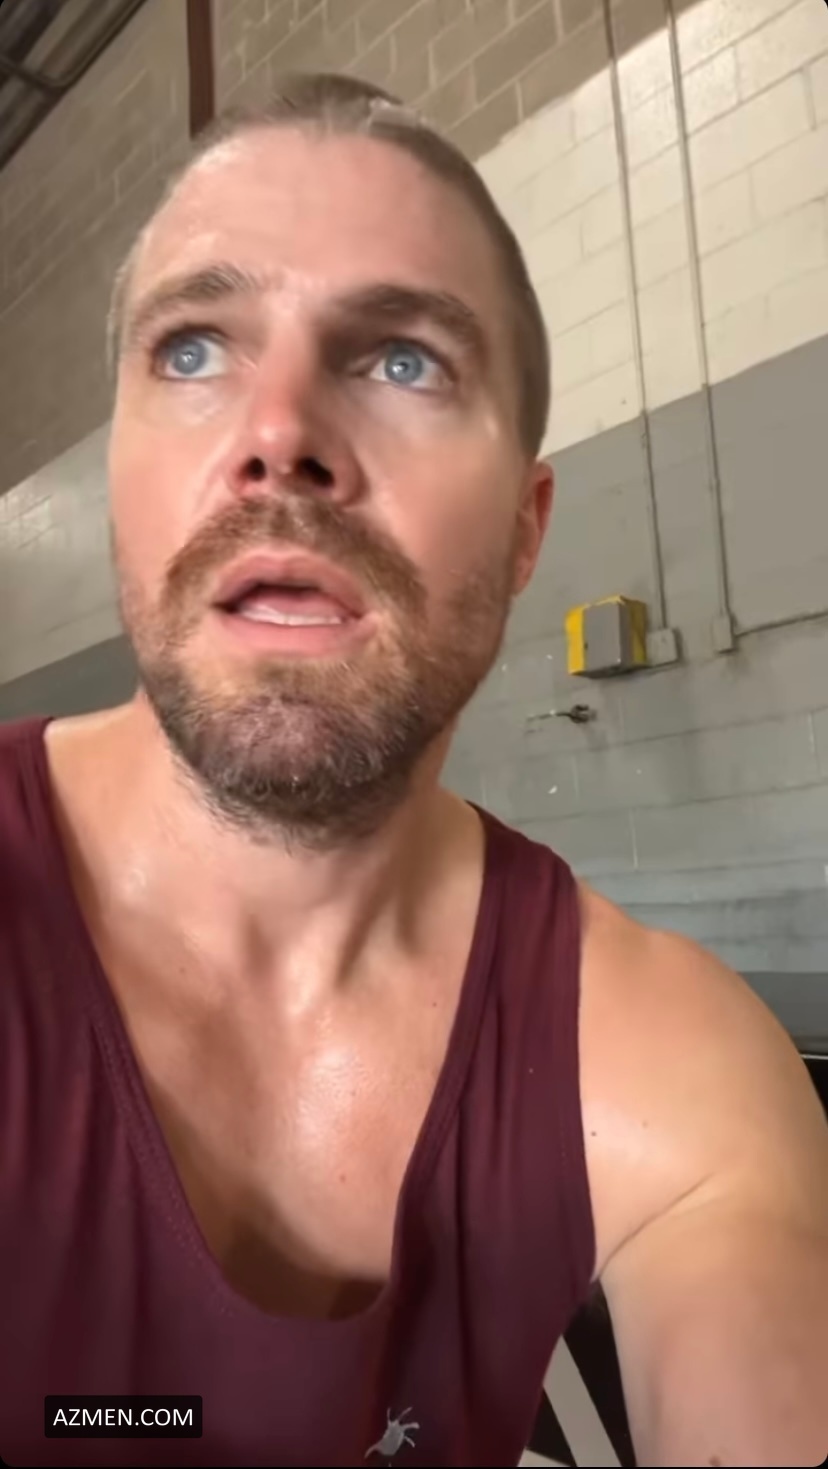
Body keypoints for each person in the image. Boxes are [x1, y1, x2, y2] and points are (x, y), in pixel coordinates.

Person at [0, 72, 825, 1469]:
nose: (279, 435)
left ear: (523, 529)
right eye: (193, 349)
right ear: (119, 484)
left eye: (403, 362)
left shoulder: (667, 1068)